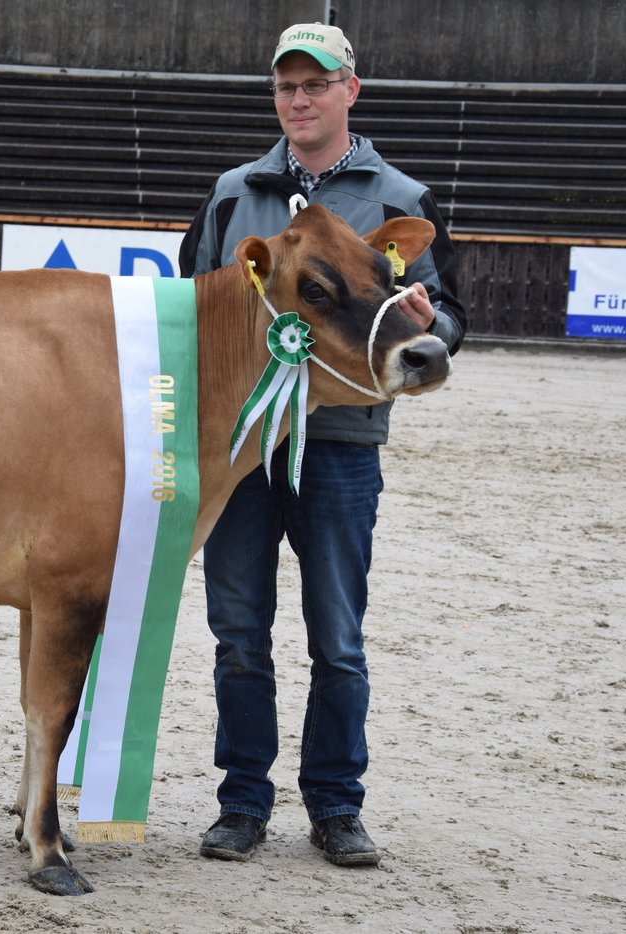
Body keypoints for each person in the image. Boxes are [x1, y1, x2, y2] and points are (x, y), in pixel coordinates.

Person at [178, 21, 466, 867]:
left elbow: (450, 320)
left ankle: (337, 806)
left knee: (337, 637)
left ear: (351, 90)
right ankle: (243, 803)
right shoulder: (235, 192)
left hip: (341, 440)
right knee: (238, 633)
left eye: (316, 83)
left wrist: (427, 319)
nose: (299, 100)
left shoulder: (400, 198)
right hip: (240, 445)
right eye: (286, 86)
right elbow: (192, 301)